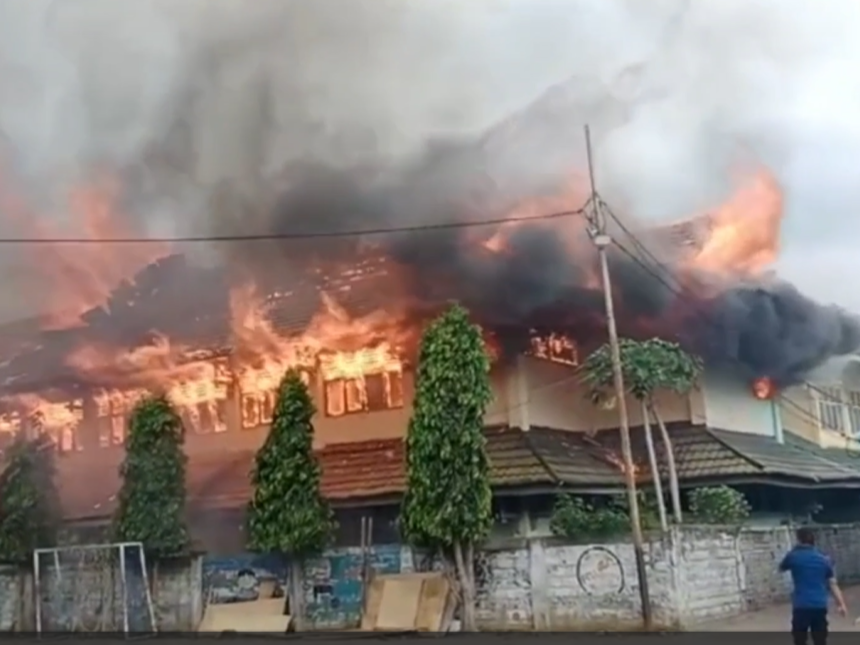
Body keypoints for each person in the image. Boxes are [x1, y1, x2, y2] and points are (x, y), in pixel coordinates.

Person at [779, 527, 847, 645]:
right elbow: (833, 584)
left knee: (799, 639)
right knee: (820, 639)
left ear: (798, 539)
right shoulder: (823, 559)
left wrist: (795, 549)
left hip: (801, 605)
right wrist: (841, 604)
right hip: (819, 605)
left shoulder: (793, 556)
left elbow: (782, 567)